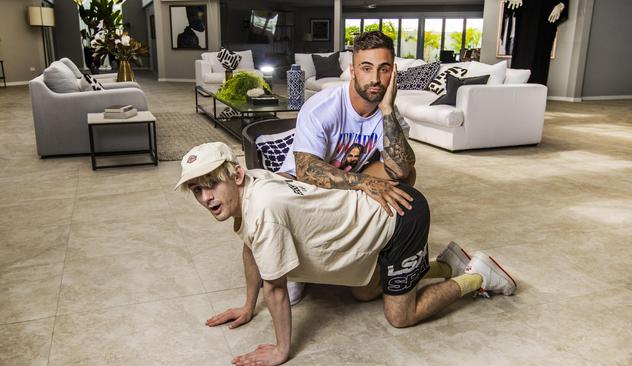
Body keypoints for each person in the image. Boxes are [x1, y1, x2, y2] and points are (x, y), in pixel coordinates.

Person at [176, 142, 517, 366]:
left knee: (401, 316)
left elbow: (276, 287)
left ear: (235, 175)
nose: (206, 198)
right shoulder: (254, 183)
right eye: (196, 190)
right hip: (369, 225)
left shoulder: (263, 207)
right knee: (364, 292)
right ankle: (445, 264)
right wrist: (248, 306)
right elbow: (250, 248)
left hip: (400, 216)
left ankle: (479, 275)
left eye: (211, 184)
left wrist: (282, 350)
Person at [278, 31, 419, 304]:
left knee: (406, 173)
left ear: (394, 73)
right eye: (366, 68)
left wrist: (388, 110)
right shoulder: (323, 106)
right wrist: (366, 184)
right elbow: (306, 171)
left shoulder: (389, 113)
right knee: (285, 188)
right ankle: (299, 265)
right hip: (304, 185)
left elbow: (402, 169)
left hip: (348, 183)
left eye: (384, 69)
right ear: (352, 70)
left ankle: (369, 245)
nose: (376, 79)